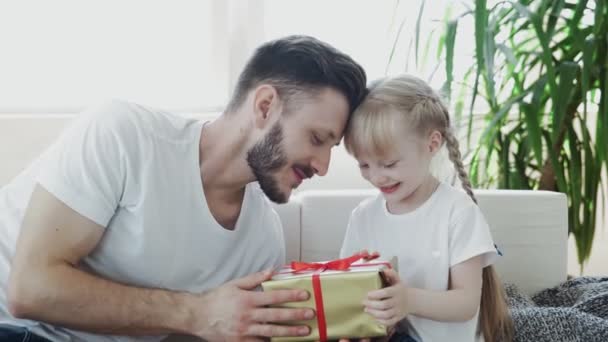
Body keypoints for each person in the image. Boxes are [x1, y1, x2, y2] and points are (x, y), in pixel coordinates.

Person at [0, 35, 367, 341]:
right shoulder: (126, 135)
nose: (322, 166)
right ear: (265, 106)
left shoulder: (261, 239)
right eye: (317, 138)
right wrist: (196, 312)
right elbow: (31, 289)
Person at [339, 75, 513, 342]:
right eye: (364, 165)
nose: (376, 177)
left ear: (432, 144)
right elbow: (350, 296)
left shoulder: (458, 212)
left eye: (389, 164)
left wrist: (407, 300)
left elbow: (466, 303)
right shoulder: (363, 216)